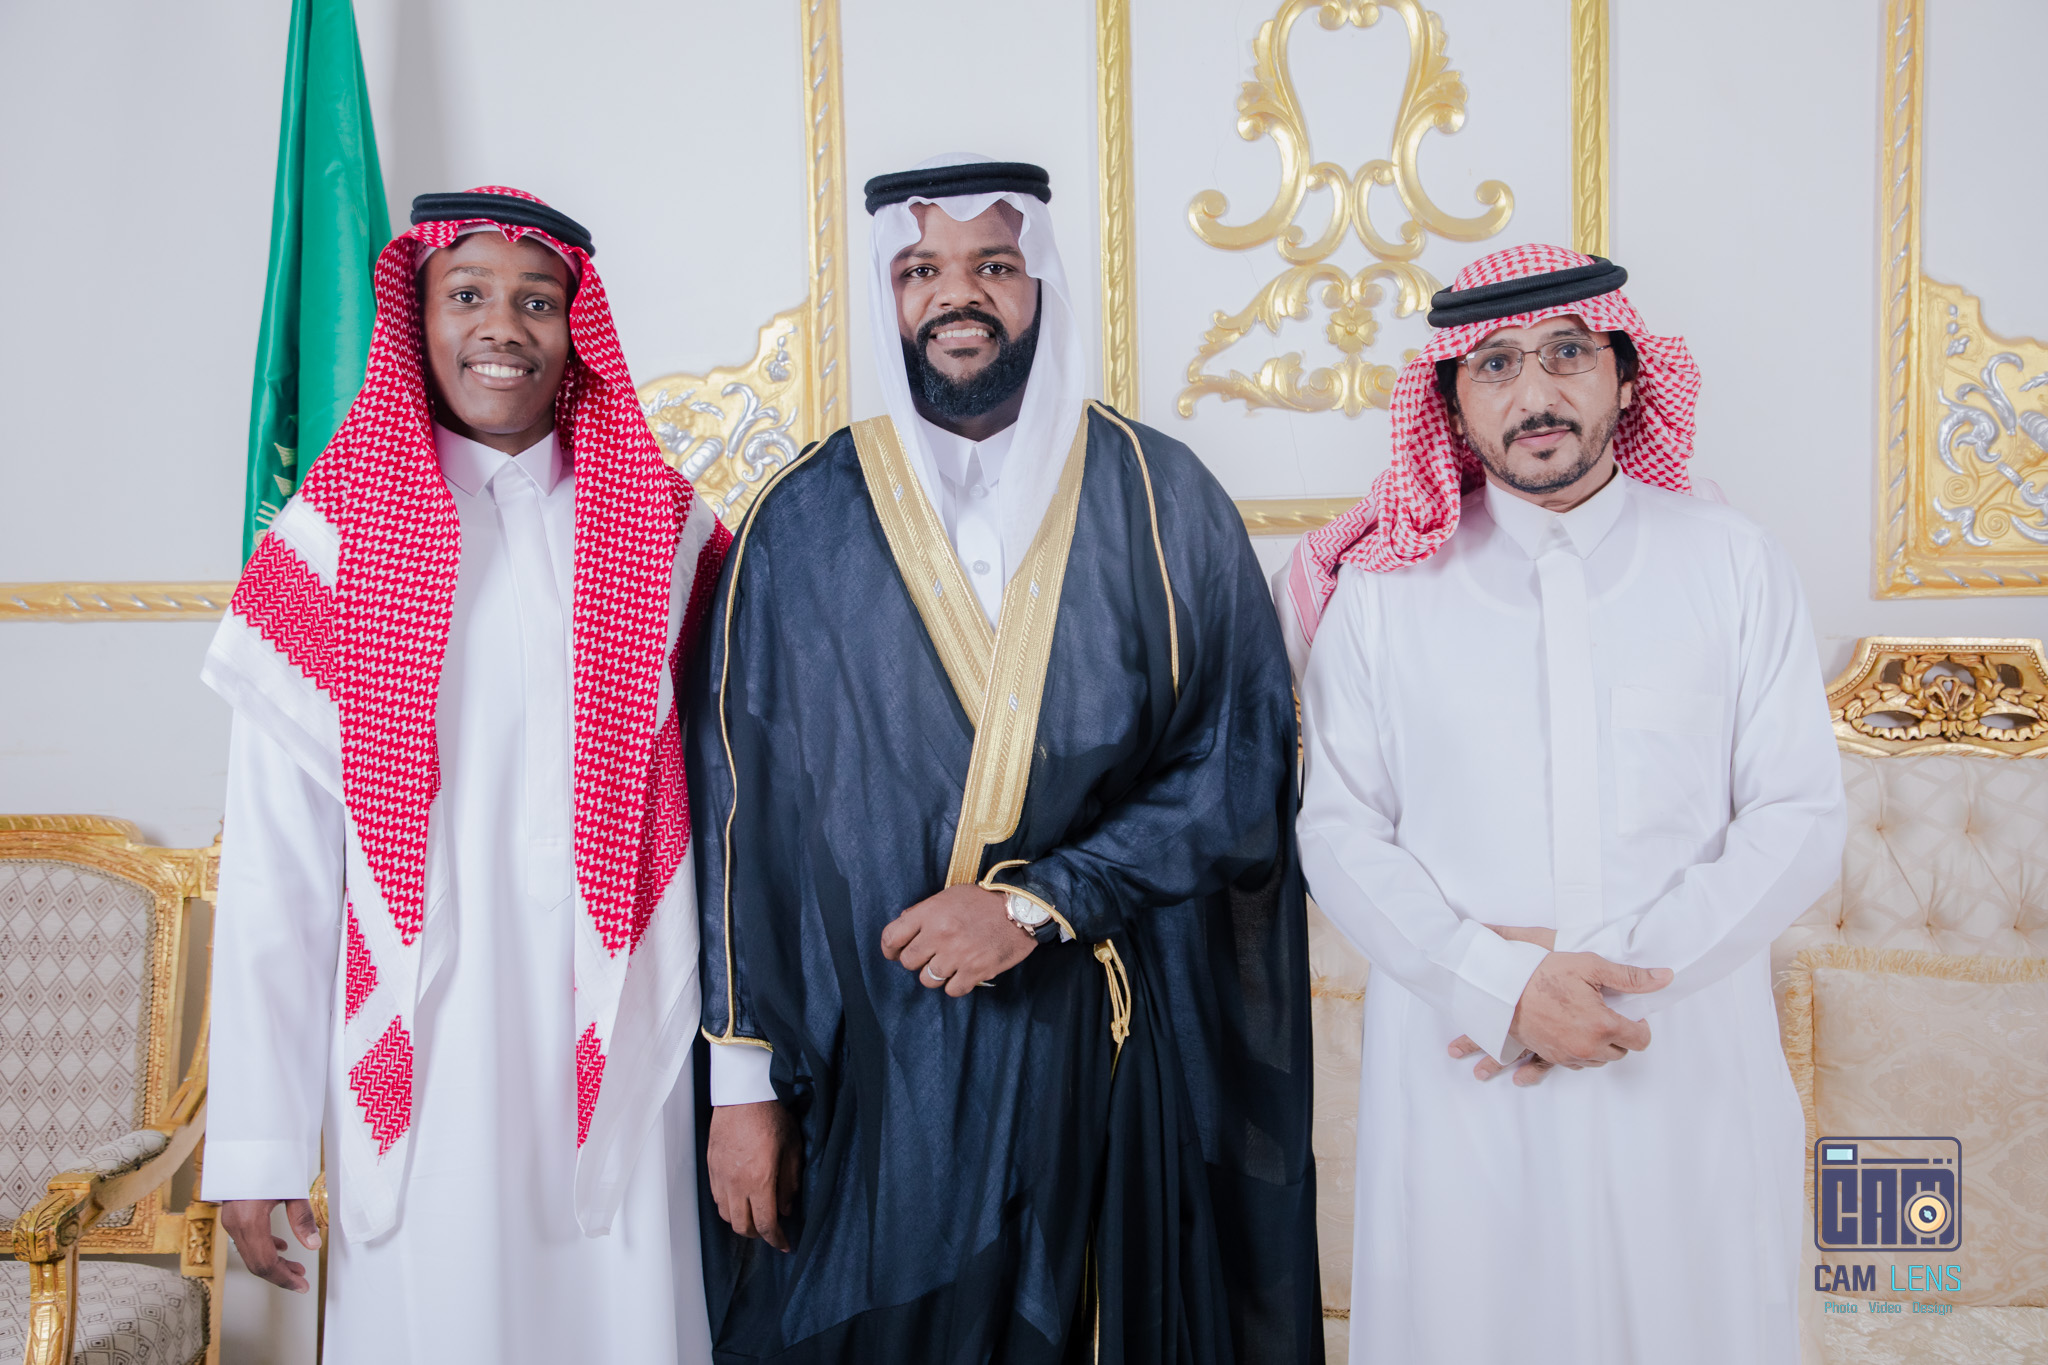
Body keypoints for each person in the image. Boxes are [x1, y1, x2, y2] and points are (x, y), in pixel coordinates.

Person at [688, 155, 1320, 1363]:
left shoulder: (1158, 497)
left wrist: (1036, 903)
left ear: (1041, 284)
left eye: (992, 264)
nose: (955, 295)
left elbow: (1238, 762)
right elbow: (734, 819)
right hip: (875, 1071)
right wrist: (740, 1089)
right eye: (920, 271)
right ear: (888, 295)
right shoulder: (799, 522)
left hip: (1104, 1046)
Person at [1284, 243, 1848, 1364]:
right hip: (1466, 1058)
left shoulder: (1731, 563)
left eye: (1566, 355)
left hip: (1678, 1047)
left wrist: (1604, 981)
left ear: (1627, 377)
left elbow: (1797, 816)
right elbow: (1338, 831)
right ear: (1451, 402)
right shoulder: (1384, 598)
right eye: (1494, 364)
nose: (1533, 392)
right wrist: (1498, 986)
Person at [201, 187, 729, 1364]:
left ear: (576, 330)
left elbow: (739, 800)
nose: (503, 327)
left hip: (618, 1031)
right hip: (427, 1051)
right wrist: (258, 1143)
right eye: (470, 295)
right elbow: (279, 873)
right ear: (418, 316)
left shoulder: (662, 532)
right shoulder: (330, 546)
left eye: (537, 302)